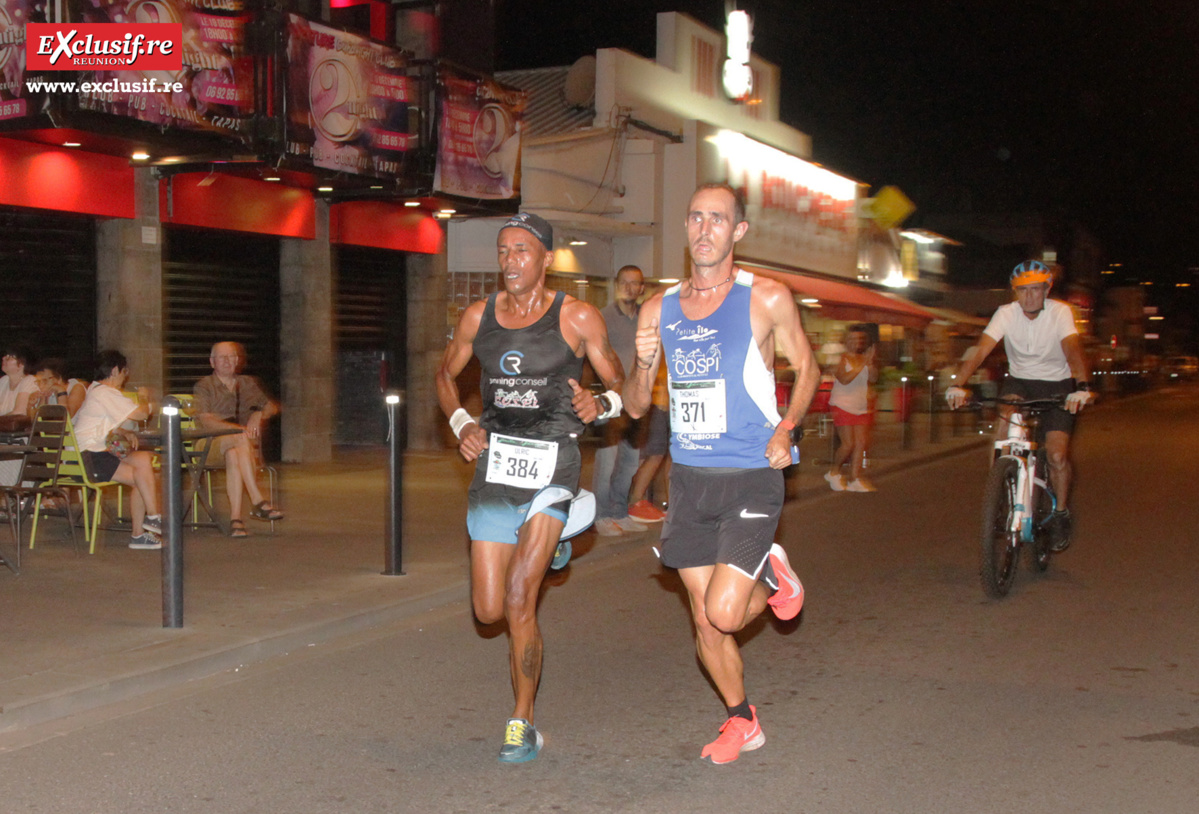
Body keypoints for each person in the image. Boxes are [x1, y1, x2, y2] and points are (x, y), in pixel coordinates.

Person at [625, 182, 820, 765]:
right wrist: (640, 362)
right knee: (705, 623)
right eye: (695, 218)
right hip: (688, 481)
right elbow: (636, 406)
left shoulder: (766, 297)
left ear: (738, 232)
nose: (704, 229)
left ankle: (775, 577)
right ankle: (742, 721)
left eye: (718, 219)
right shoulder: (659, 308)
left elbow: (808, 369)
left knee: (725, 611)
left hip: (751, 471)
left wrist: (786, 429)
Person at [435, 212, 625, 764]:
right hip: (496, 466)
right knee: (489, 610)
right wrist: (461, 424)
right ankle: (556, 542)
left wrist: (602, 405)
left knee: (521, 597)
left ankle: (522, 721)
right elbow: (445, 375)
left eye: (522, 250)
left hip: (553, 464)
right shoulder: (479, 316)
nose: (510, 260)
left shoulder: (578, 317)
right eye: (503, 251)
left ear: (545, 258)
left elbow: (623, 383)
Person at [946, 260, 1095, 551]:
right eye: (1022, 291)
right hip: (1020, 383)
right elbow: (981, 350)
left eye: (1035, 290)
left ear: (1046, 290)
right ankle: (999, 485)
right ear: (1014, 292)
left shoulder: (1060, 312)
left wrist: (1082, 386)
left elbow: (1072, 349)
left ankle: (1061, 512)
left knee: (1056, 456)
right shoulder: (1006, 314)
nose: (1029, 297)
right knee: (1004, 424)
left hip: (1058, 386)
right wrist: (957, 383)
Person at [71, 350, 163, 549]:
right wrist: (144, 398)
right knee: (145, 477)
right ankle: (148, 524)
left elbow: (95, 425)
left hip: (81, 456)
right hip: (88, 458)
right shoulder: (105, 392)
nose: (125, 376)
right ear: (115, 370)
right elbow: (139, 414)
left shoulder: (94, 391)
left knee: (142, 462)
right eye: (124, 371)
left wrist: (121, 431)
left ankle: (148, 524)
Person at [193, 342, 284, 539]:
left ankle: (236, 520)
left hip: (237, 446)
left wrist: (259, 414)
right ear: (212, 362)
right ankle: (257, 500)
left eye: (232, 356)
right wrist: (238, 429)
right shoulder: (204, 386)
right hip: (209, 444)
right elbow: (206, 420)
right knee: (240, 439)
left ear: (238, 360)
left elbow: (272, 407)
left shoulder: (248, 383)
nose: (228, 361)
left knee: (235, 453)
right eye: (222, 357)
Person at [591, 265, 651, 536]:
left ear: (641, 288)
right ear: (617, 286)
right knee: (607, 461)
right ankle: (600, 515)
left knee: (630, 461)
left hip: (636, 402)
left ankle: (619, 511)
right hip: (611, 401)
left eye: (635, 283)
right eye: (624, 283)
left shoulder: (645, 319)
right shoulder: (602, 318)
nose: (630, 288)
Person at [824, 324, 878, 492]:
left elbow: (874, 378)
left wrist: (870, 364)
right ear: (847, 341)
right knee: (848, 444)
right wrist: (863, 365)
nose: (857, 342)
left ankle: (855, 478)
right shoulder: (841, 358)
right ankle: (834, 472)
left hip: (860, 405)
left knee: (861, 442)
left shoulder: (864, 359)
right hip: (842, 404)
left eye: (860, 339)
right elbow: (844, 379)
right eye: (853, 339)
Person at [0, 346, 40, 486]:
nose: (4, 359)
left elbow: (20, 411)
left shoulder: (29, 381)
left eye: (9, 357)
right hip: (4, 435)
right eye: (4, 356)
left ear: (21, 364)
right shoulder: (3, 381)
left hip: (20, 437)